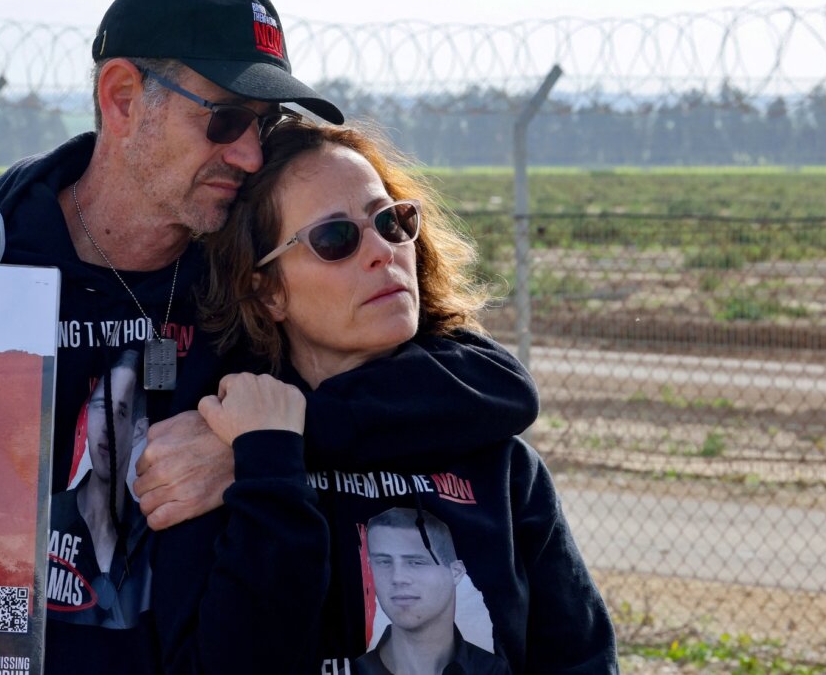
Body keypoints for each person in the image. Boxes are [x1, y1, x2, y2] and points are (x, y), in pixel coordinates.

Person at [0, 0, 540, 674]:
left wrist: (270, 442)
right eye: (223, 120)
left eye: (265, 123)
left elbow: (486, 387)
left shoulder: (247, 272)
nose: (250, 154)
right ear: (123, 98)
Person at [158, 119, 617, 673]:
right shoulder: (221, 464)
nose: (381, 251)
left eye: (391, 220)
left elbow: (580, 658)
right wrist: (271, 473)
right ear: (268, 290)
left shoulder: (500, 463)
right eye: (335, 239)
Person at [48, 349, 153, 628]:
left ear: (139, 430)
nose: (106, 426)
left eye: (120, 411)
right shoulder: (44, 518)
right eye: (99, 407)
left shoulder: (150, 534)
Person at [356, 509, 506, 675]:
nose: (397, 577)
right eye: (383, 562)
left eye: (416, 562)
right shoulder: (351, 671)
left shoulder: (496, 670)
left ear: (456, 572)